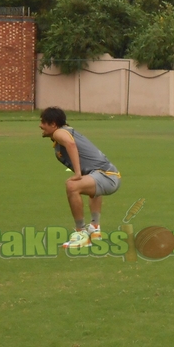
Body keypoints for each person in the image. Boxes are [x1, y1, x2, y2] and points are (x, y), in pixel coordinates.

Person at [39, 107, 121, 249]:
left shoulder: (59, 132)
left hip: (107, 176)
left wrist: (77, 173)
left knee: (72, 186)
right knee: (88, 182)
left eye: (43, 122)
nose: (40, 125)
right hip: (109, 175)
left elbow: (70, 144)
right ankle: (94, 229)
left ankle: (81, 234)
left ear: (53, 124)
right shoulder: (65, 131)